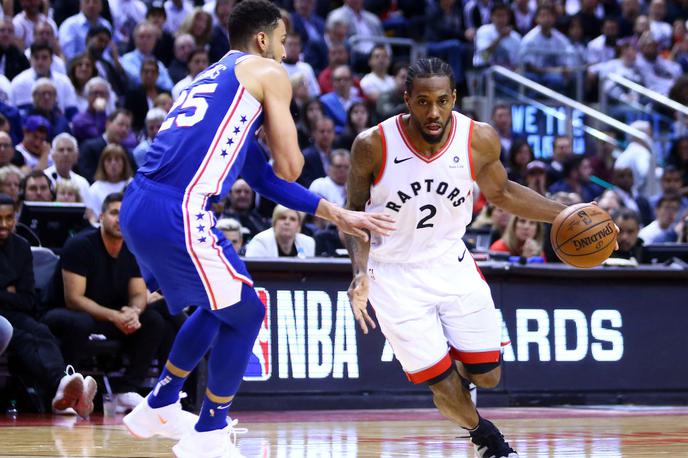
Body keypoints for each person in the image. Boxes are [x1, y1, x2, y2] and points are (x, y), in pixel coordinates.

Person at [119, 2, 393, 457]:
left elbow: (262, 178)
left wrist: (340, 215)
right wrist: (280, 111)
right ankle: (209, 431)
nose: (286, 54)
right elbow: (290, 167)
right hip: (181, 209)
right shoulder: (267, 73)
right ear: (263, 40)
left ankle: (161, 404)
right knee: (247, 311)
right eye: (284, 42)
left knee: (219, 304)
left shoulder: (211, 81)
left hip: (139, 204)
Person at [344, 57, 588, 458]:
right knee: (441, 384)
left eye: (442, 100)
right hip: (393, 275)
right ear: (406, 100)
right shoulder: (372, 144)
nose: (434, 111)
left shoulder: (479, 139)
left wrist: (563, 213)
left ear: (454, 97)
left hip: (451, 264)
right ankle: (483, 434)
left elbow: (504, 193)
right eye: (422, 102)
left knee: (489, 377)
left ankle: (461, 379)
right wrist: (359, 274)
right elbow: (354, 216)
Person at [0, 192, 97, 417]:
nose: (3, 224)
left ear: (15, 218)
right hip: (3, 319)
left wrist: (5, 291)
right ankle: (63, 391)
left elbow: (27, 299)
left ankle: (64, 387)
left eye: (8, 218)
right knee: (24, 337)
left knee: (42, 331)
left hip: (18, 314)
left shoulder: (21, 247)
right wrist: (9, 290)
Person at [245, 205, 315, 258]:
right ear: (274, 223)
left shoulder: (308, 243)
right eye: (283, 218)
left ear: (299, 226)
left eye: (292, 219)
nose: (287, 222)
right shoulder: (260, 242)